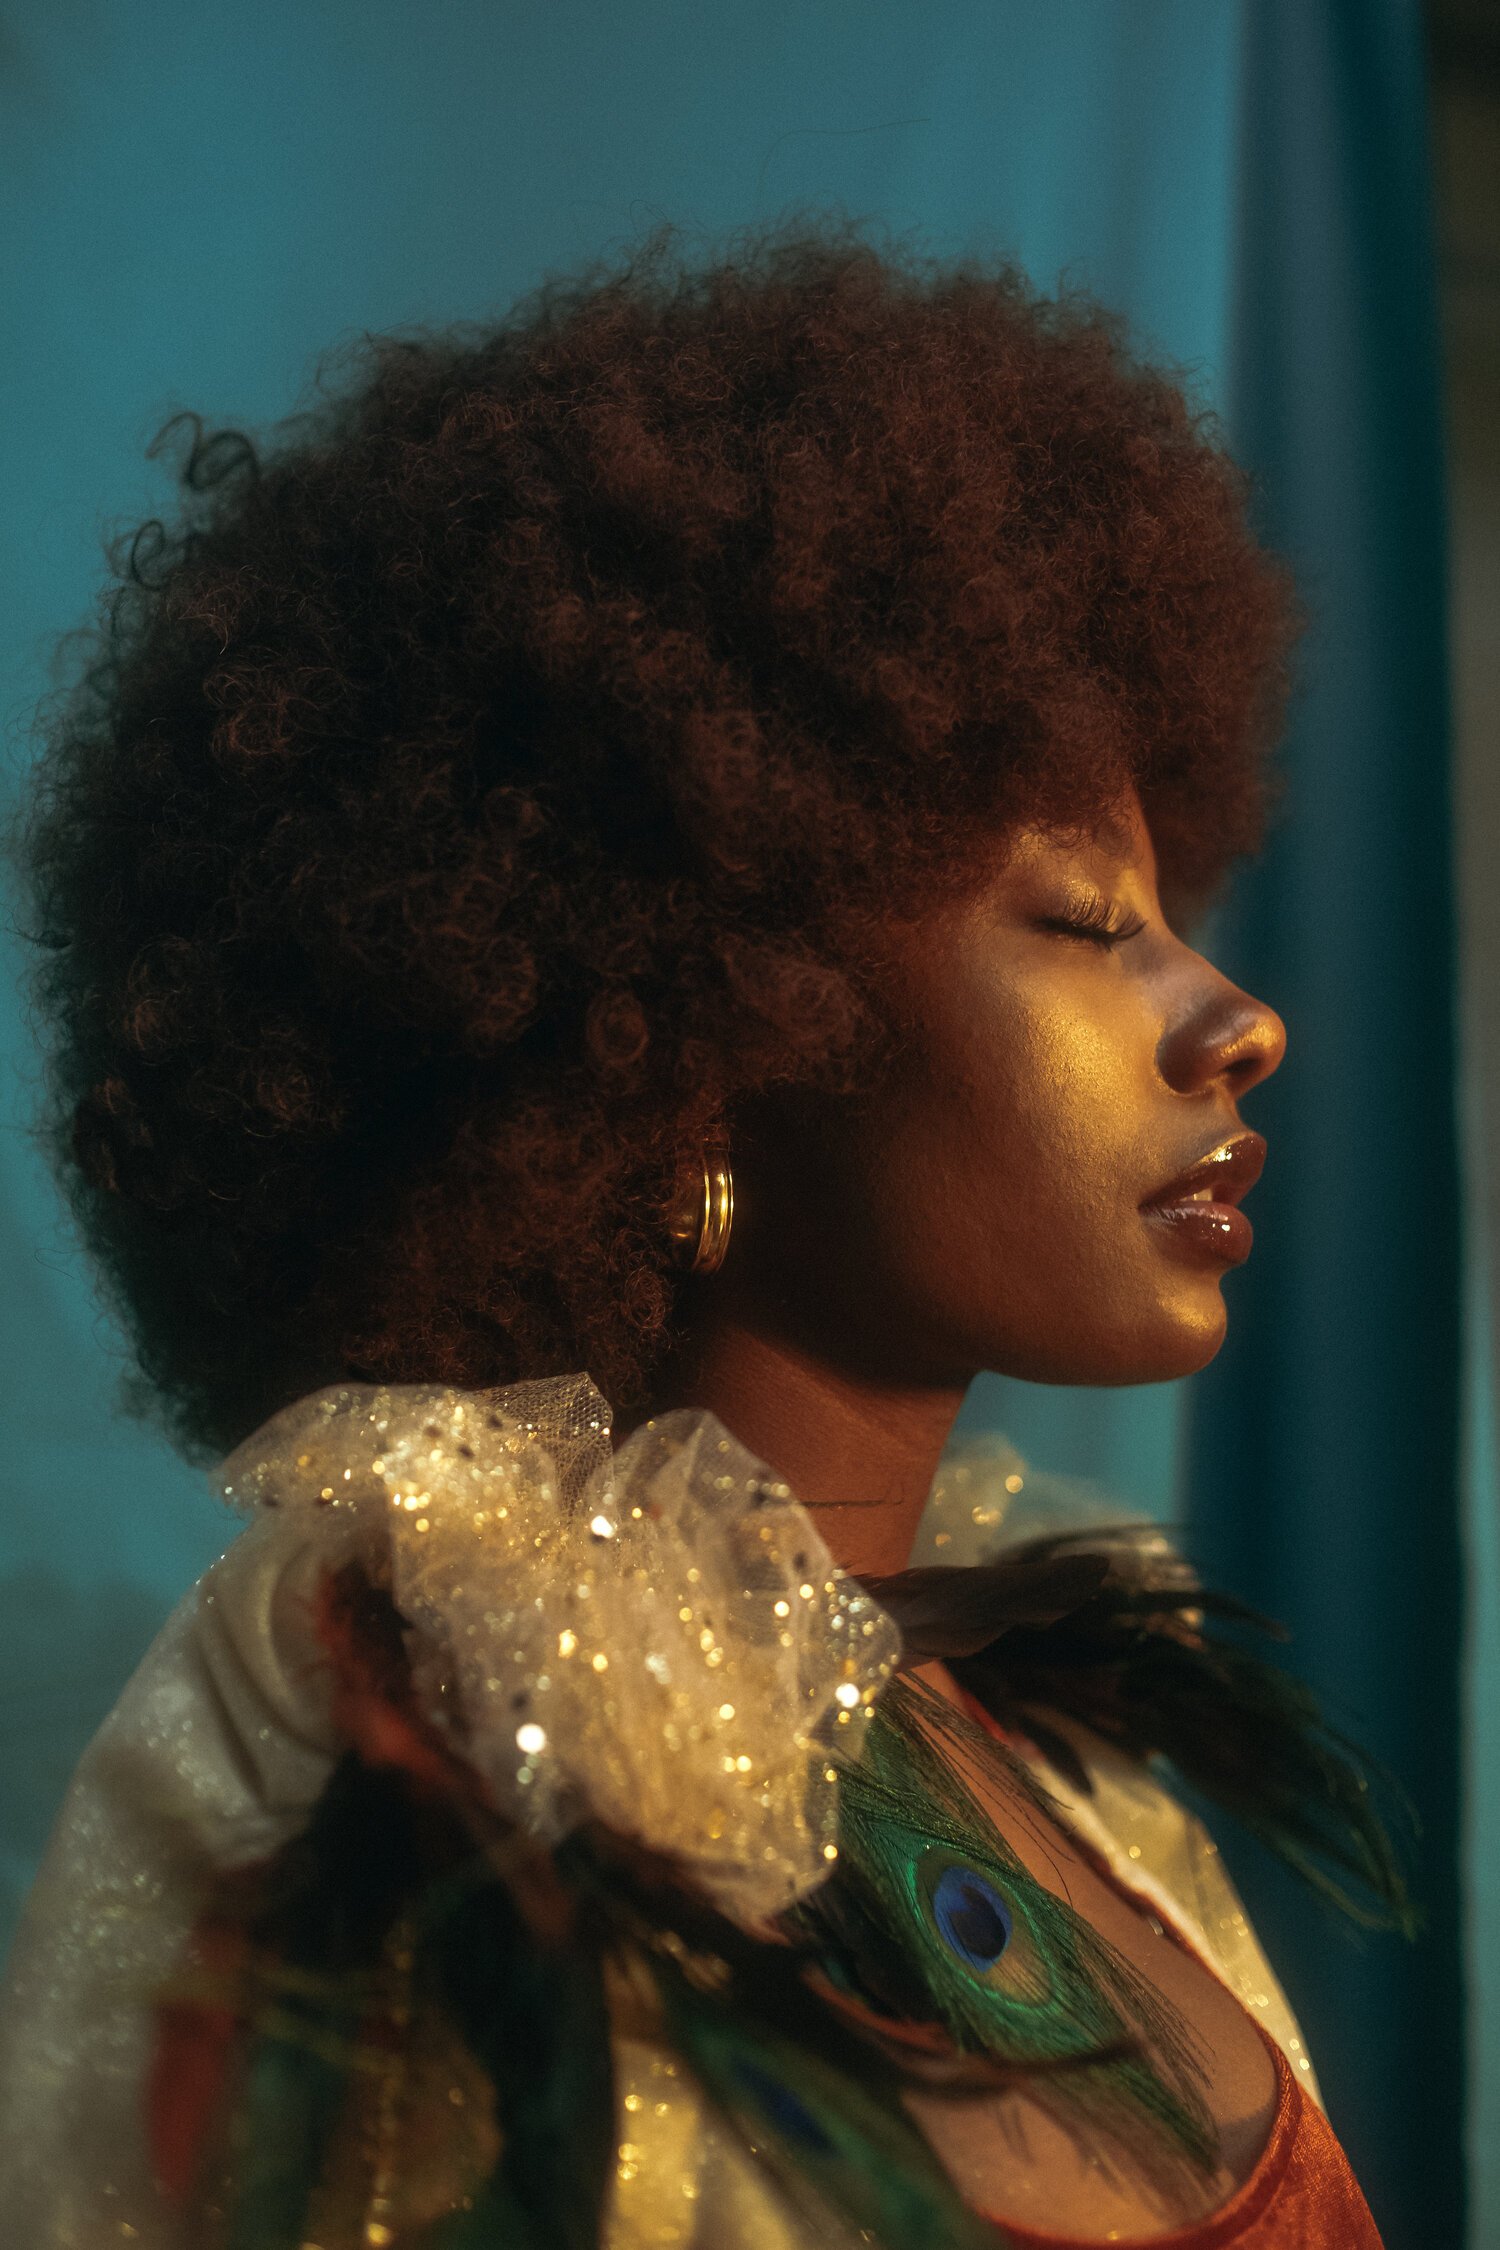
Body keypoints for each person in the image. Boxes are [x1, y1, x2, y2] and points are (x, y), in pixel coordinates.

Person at [0, 219, 1409, 2247]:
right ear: (716, 1023)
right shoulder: (414, 1731)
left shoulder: (1073, 1778)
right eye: (1085, 924)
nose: (1234, 1016)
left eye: (1175, 909)